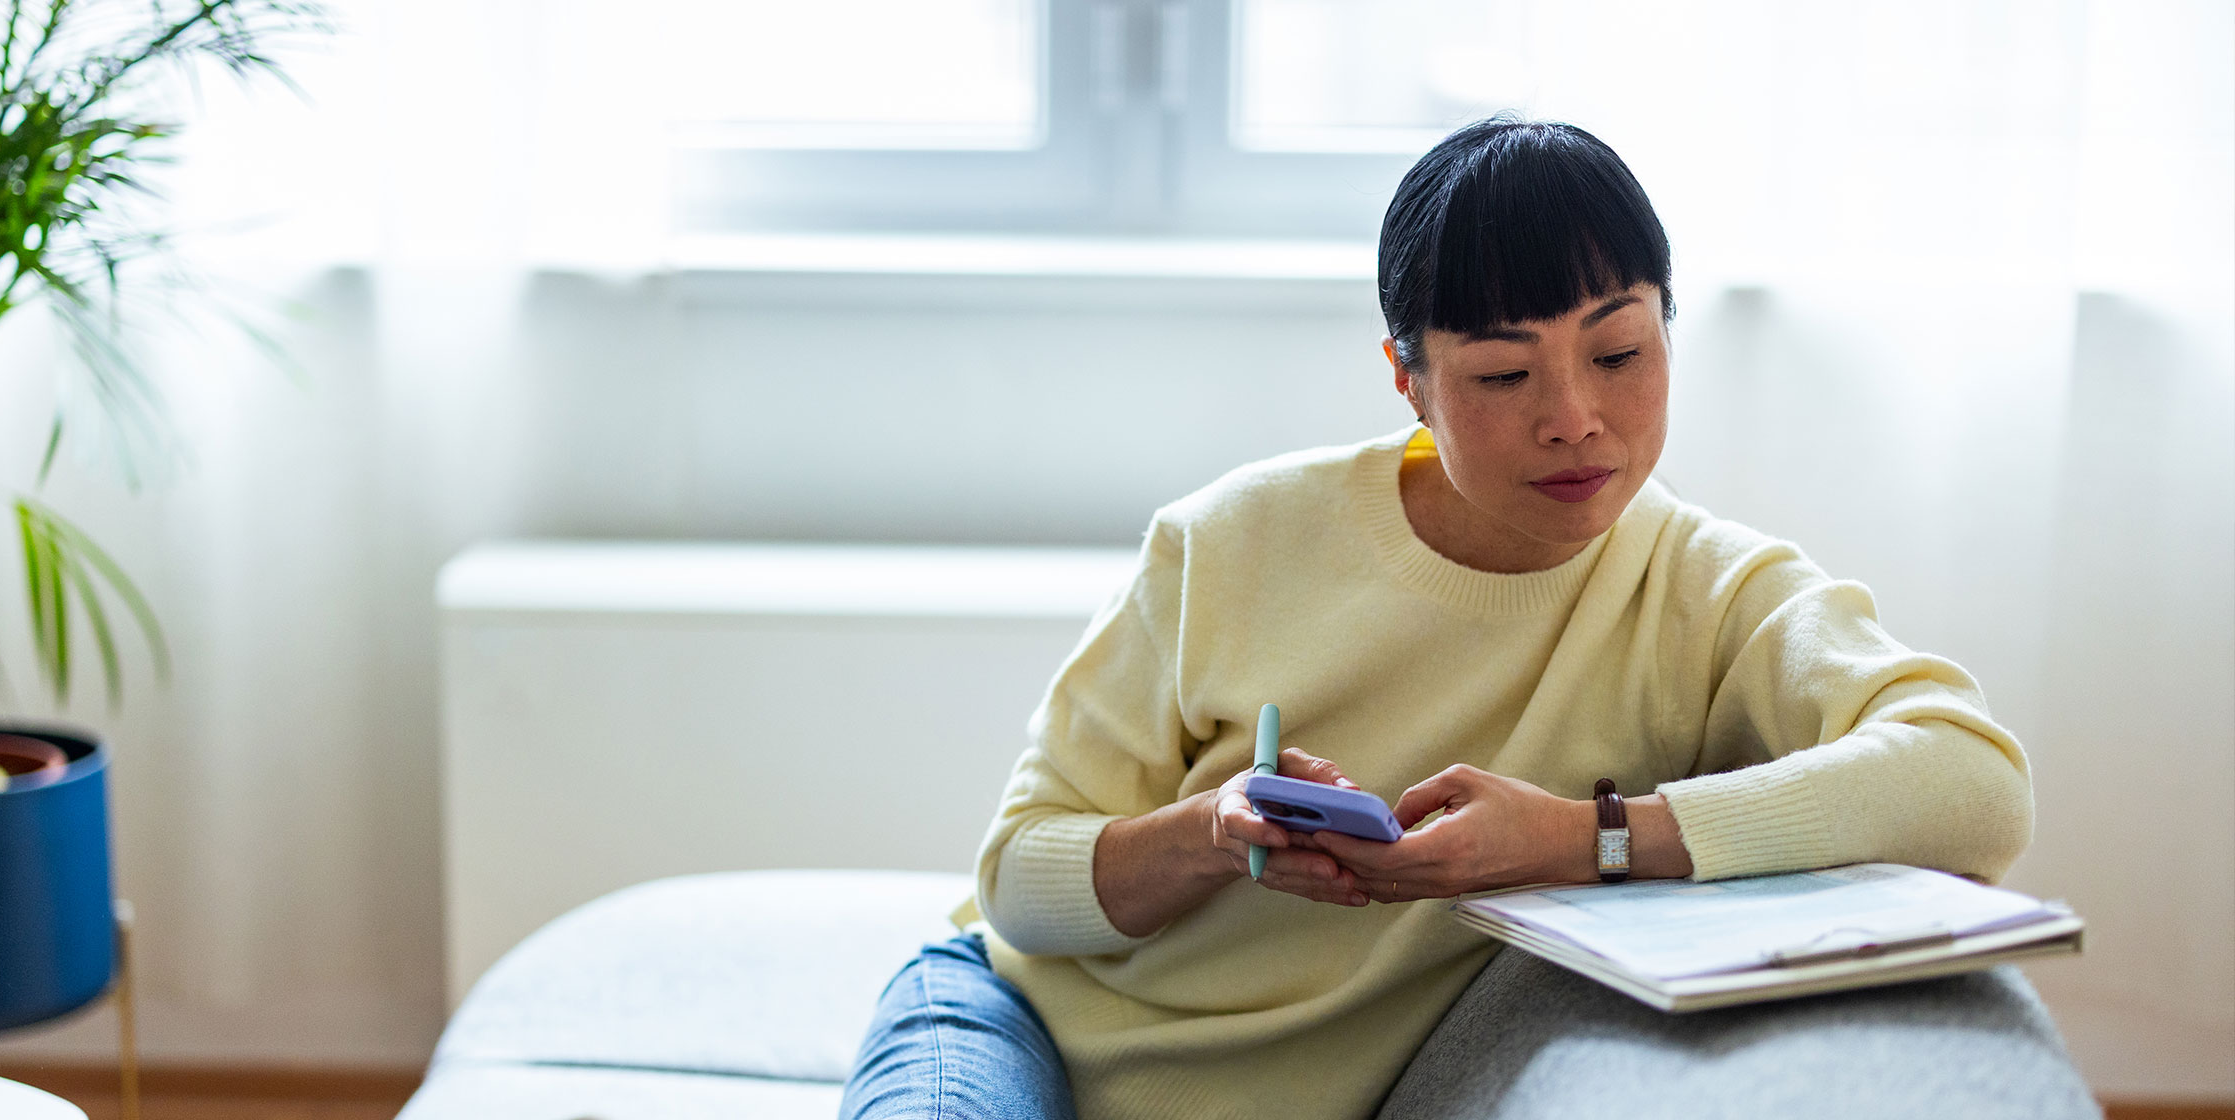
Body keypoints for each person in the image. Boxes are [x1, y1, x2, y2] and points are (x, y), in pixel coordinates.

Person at [839, 115, 2034, 1120]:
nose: (1574, 417)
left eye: (1618, 349)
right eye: (1503, 376)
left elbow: (1970, 781)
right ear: (1406, 377)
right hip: (1010, 1026)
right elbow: (1015, 880)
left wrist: (1581, 837)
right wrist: (1212, 831)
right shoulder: (1229, 539)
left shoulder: (1706, 592)